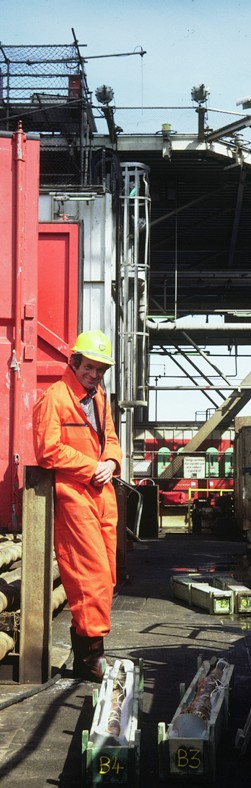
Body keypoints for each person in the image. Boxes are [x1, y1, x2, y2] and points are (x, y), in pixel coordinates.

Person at [33, 329, 122, 682]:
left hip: (103, 494)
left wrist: (113, 463)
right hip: (74, 495)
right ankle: (90, 657)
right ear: (74, 361)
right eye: (90, 367)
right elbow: (47, 449)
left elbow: (111, 438)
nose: (95, 375)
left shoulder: (99, 397)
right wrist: (92, 467)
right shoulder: (54, 398)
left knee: (107, 575)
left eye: (101, 370)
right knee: (90, 576)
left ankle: (89, 649)